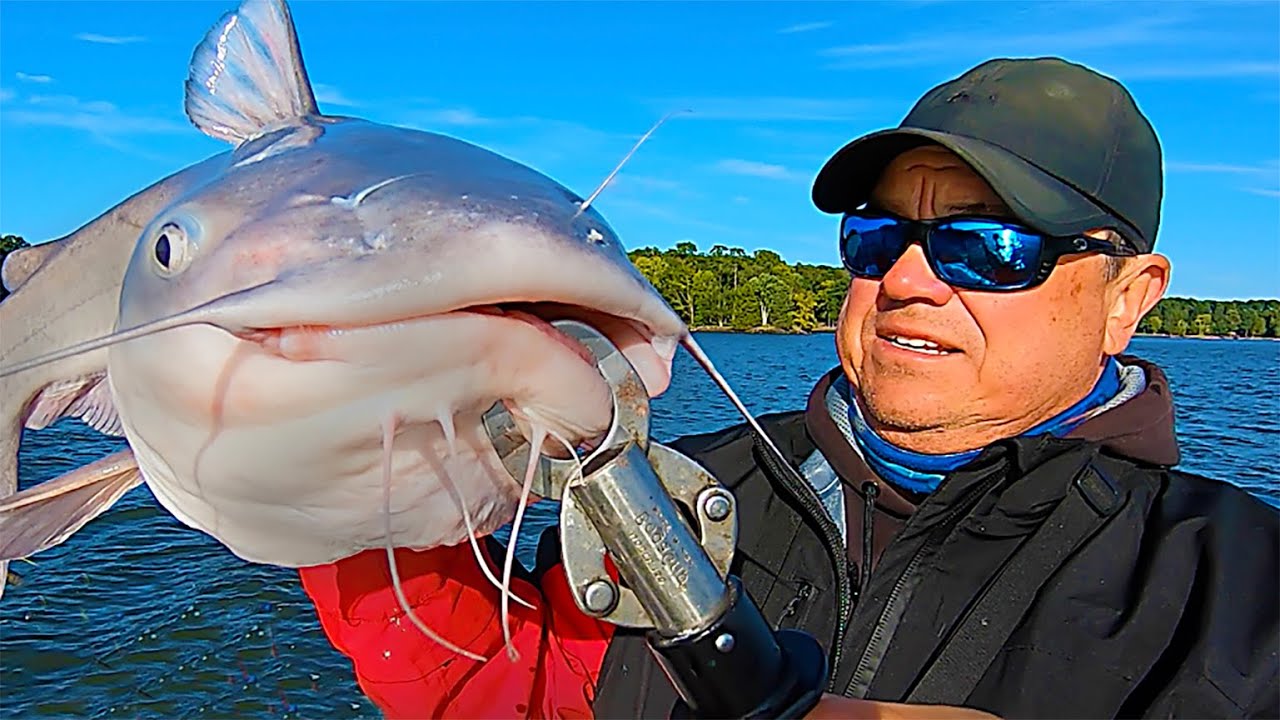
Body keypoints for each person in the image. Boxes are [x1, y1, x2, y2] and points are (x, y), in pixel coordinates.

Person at [297, 56, 1280, 719]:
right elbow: (508, 682)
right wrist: (337, 473)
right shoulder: (685, 478)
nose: (902, 279)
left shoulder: (1237, 593)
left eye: (989, 246)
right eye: (875, 234)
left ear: (1127, 296)